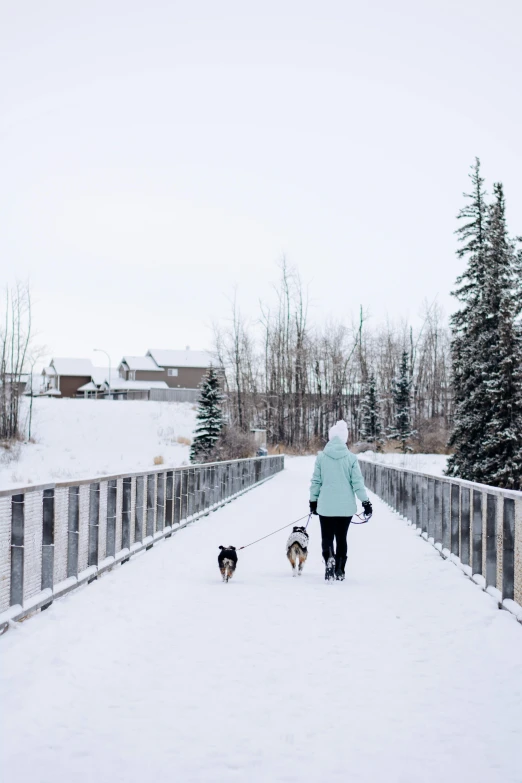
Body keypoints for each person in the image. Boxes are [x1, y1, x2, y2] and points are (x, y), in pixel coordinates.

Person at [309, 420, 372, 581]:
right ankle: (340, 569)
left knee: (327, 537)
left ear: (330, 438)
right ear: (345, 439)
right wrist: (365, 502)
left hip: (326, 506)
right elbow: (357, 483)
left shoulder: (321, 457)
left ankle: (329, 558)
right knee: (342, 538)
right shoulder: (351, 458)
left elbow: (316, 481)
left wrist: (313, 501)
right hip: (345, 508)